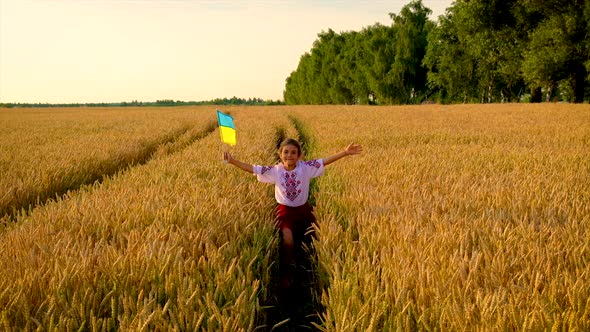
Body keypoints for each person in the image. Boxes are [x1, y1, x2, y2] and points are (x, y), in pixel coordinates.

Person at [223, 138, 362, 287]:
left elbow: (324, 161)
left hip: (304, 210)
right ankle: (287, 271)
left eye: (293, 152)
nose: (290, 155)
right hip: (285, 212)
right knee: (288, 239)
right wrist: (232, 161)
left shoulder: (305, 167)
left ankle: (313, 267)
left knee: (319, 235)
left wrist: (345, 153)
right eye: (286, 152)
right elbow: (253, 169)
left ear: (299, 155)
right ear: (280, 154)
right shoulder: (276, 171)